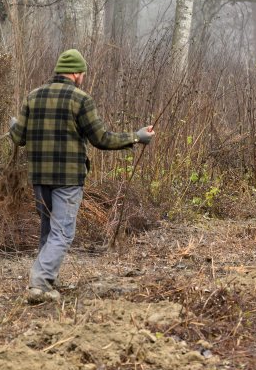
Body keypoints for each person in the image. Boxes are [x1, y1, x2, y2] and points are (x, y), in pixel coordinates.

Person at [10, 49, 154, 303]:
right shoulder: (80, 100)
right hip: (67, 179)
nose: (83, 78)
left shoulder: (32, 97)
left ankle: (45, 282)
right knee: (63, 233)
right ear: (76, 73)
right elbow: (102, 138)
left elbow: (18, 138)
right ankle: (39, 283)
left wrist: (13, 126)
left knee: (48, 231)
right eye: (83, 74)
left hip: (39, 177)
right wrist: (136, 137)